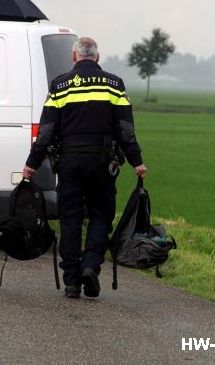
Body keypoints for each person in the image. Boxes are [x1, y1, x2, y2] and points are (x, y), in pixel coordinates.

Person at [23, 37, 146, 298]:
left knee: (71, 218)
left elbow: (46, 132)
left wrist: (31, 164)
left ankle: (71, 281)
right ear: (98, 58)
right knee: (101, 216)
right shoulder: (115, 84)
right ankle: (90, 266)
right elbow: (125, 130)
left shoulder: (60, 85)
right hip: (103, 163)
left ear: (74, 57)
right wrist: (136, 161)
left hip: (68, 163)